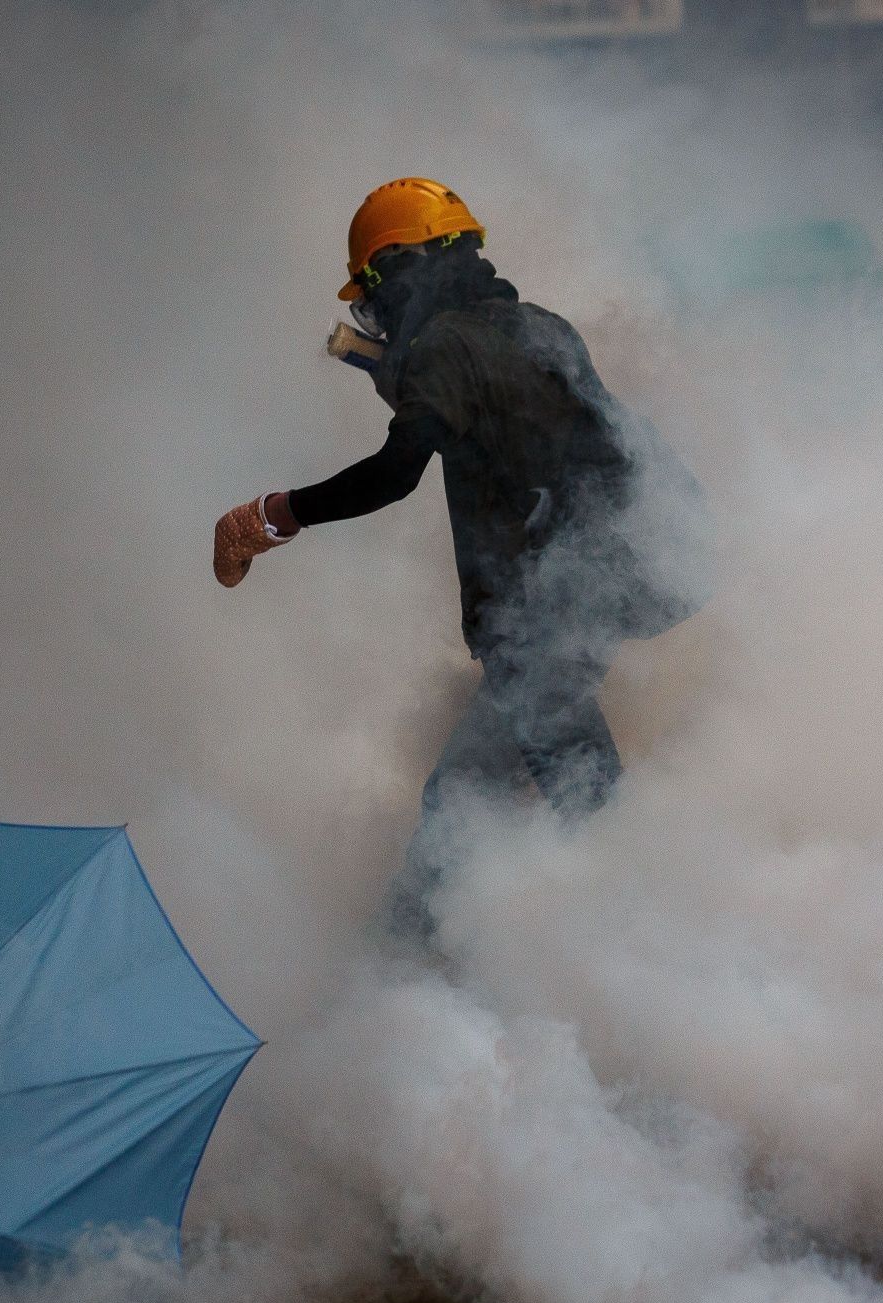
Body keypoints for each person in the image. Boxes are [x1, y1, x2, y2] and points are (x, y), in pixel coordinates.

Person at [213, 177, 705, 948]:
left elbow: (396, 471)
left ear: (400, 274)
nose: (373, 317)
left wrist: (273, 518)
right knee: (464, 802)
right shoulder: (538, 325)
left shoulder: (445, 348)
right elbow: (499, 423)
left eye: (373, 295)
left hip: (550, 604)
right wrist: (400, 377)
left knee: (581, 807)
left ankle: (681, 954)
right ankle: (403, 963)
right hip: (627, 570)